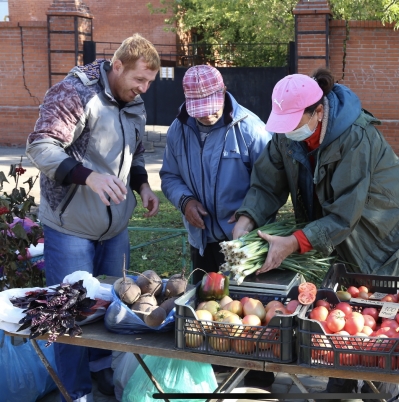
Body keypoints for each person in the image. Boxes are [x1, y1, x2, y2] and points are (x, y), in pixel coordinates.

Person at [232, 68, 399, 399]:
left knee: (377, 310)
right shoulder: (287, 132)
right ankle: (341, 380)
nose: (287, 131)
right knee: (343, 305)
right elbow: (266, 182)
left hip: (382, 229)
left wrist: (294, 242)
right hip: (337, 225)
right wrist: (247, 219)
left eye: (294, 123)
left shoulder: (355, 138)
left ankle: (380, 388)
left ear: (318, 112)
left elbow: (345, 214)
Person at [26, 34, 161, 401]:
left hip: (115, 228)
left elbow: (137, 154)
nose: (144, 89)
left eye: (150, 82)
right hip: (71, 227)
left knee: (114, 308)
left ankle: (102, 372)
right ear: (117, 66)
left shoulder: (135, 102)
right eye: (139, 80)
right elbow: (40, 145)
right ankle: (75, 391)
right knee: (67, 314)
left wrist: (144, 186)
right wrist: (89, 176)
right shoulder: (74, 92)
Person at [159, 64, 273, 388]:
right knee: (209, 316)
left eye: (211, 110)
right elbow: (169, 176)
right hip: (203, 242)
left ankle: (259, 379)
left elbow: (270, 185)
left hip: (244, 246)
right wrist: (185, 202)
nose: (206, 117)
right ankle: (212, 376)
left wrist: (249, 215)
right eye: (199, 112)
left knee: (251, 318)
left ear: (223, 93)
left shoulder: (251, 128)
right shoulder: (177, 130)